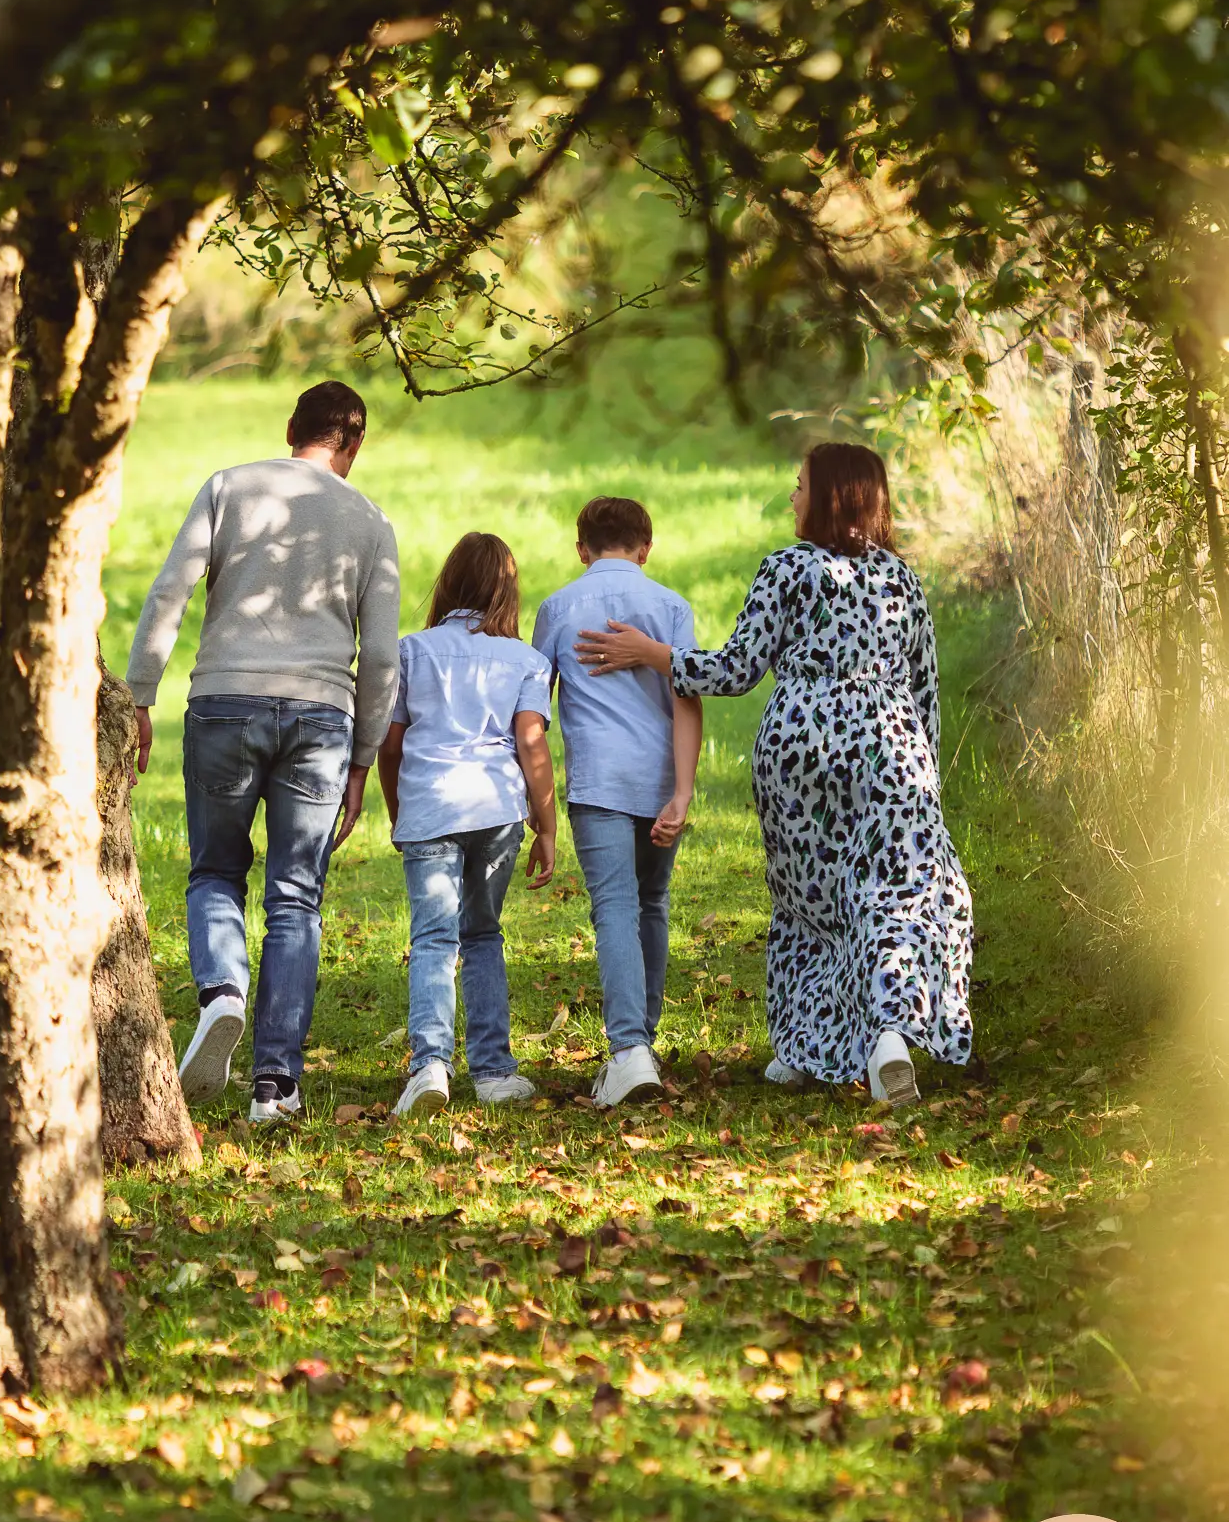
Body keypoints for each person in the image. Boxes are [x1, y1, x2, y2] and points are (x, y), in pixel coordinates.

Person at [577, 444, 972, 1107]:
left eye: (800, 486)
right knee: (892, 895)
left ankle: (804, 1047)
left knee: (809, 899)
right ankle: (884, 1037)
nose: (792, 497)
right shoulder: (900, 578)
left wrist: (653, 654)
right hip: (889, 750)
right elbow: (923, 683)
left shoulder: (786, 568)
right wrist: (924, 776)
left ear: (829, 498)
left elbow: (735, 670)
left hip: (800, 752)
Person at [126, 380, 400, 1124]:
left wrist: (139, 695)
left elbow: (170, 592)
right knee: (296, 896)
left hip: (224, 702)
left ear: (290, 429)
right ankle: (275, 1086)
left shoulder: (227, 488)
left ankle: (222, 991)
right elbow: (380, 655)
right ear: (354, 443)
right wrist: (364, 757)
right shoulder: (371, 522)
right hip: (321, 717)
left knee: (217, 868)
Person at [531, 496, 703, 1108]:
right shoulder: (671, 607)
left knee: (614, 909)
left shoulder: (558, 609)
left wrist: (533, 804)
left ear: (582, 550)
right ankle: (641, 1045)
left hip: (599, 780)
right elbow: (688, 697)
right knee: (651, 902)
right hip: (659, 780)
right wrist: (682, 791)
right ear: (646, 548)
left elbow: (533, 710)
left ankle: (630, 1050)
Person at [378, 533, 556, 1118]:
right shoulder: (526, 661)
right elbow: (532, 745)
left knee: (433, 938)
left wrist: (399, 810)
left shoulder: (411, 653)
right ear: (507, 592)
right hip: (497, 809)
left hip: (430, 805)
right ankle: (494, 1070)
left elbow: (390, 744)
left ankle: (430, 1066)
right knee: (482, 934)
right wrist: (547, 825)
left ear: (448, 583)